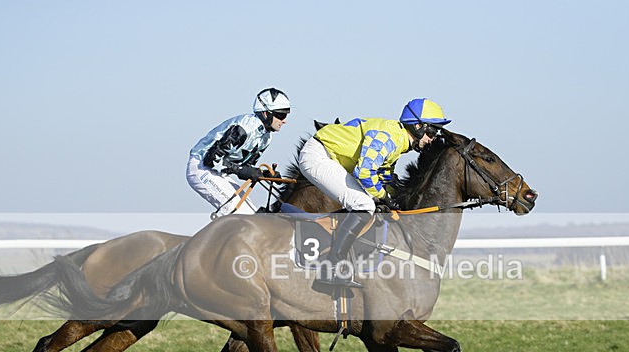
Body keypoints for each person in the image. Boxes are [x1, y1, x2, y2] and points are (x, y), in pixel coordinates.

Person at [298, 98, 451, 289]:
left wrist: (394, 198)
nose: (433, 138)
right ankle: (331, 266)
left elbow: (383, 178)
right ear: (418, 126)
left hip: (331, 157)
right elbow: (364, 172)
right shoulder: (389, 137)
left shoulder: (399, 142)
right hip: (318, 156)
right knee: (364, 205)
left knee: (370, 202)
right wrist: (384, 197)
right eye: (432, 131)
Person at [187, 88, 290, 216]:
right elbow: (211, 160)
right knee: (240, 212)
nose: (284, 120)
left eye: (286, 114)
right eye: (281, 115)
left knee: (253, 214)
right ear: (265, 113)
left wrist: (264, 174)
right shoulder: (244, 128)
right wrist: (241, 171)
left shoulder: (266, 137)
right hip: (201, 167)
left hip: (220, 172)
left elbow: (245, 166)